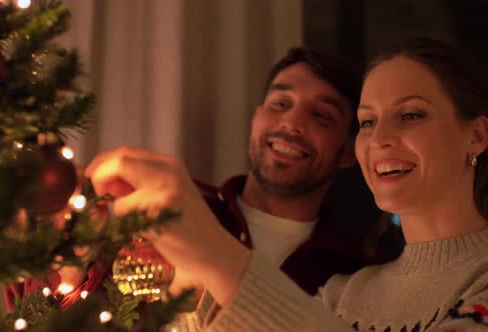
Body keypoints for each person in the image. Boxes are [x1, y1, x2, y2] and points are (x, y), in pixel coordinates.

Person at [87, 38, 488, 331]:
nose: (381, 137)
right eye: (368, 121)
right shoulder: (345, 292)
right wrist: (189, 283)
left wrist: (213, 254)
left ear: (477, 136)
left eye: (411, 115)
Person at [5, 47, 394, 311]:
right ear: (257, 117)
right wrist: (72, 260)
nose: (291, 123)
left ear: (347, 150)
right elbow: (32, 317)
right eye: (280, 104)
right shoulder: (161, 211)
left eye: (321, 116)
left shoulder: (355, 277)